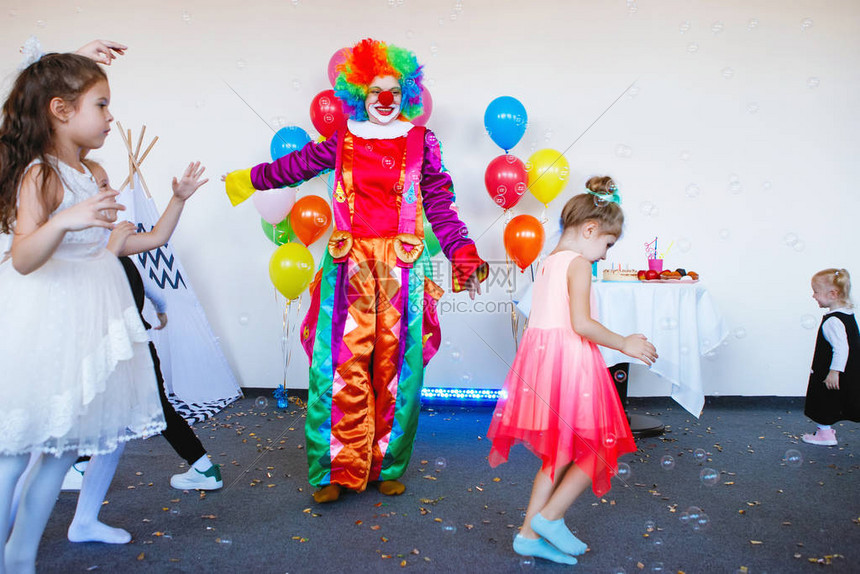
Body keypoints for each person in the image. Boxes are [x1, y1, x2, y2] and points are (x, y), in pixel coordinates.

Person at [224, 38, 487, 503]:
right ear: (359, 96)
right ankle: (333, 469)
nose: (383, 101)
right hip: (347, 269)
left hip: (402, 270)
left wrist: (463, 254)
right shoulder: (344, 139)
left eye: (392, 91)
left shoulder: (421, 141)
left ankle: (387, 463)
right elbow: (297, 166)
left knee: (398, 369)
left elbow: (441, 207)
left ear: (405, 95)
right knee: (337, 368)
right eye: (374, 93)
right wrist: (249, 179)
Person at [0, 53, 165, 572]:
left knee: (62, 449)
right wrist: (66, 220)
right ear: (60, 110)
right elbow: (24, 258)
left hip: (90, 319)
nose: (111, 117)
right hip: (46, 322)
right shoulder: (39, 175)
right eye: (102, 104)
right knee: (13, 450)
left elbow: (107, 245)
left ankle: (20, 558)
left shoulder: (92, 170)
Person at [486, 177, 657, 565]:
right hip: (572, 361)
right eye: (607, 244)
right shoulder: (579, 264)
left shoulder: (548, 263)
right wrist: (624, 342)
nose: (605, 254)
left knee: (559, 454)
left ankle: (528, 535)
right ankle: (550, 518)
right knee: (600, 445)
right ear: (591, 229)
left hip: (544, 360)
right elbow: (581, 324)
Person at [62, 160, 214, 546]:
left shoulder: (111, 238)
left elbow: (159, 236)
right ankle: (69, 474)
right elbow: (78, 296)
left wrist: (178, 199)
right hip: (93, 352)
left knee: (122, 426)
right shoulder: (77, 245)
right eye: (99, 185)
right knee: (83, 422)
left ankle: (83, 511)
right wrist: (111, 250)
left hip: (131, 345)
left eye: (107, 181)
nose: (111, 190)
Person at [802, 268, 859, 446]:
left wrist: (834, 372)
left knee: (822, 399)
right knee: (849, 399)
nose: (813, 296)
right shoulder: (848, 315)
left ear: (833, 294)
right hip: (851, 371)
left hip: (831, 372)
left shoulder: (833, 321)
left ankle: (825, 434)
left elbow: (841, 349)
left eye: (816, 292)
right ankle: (826, 433)